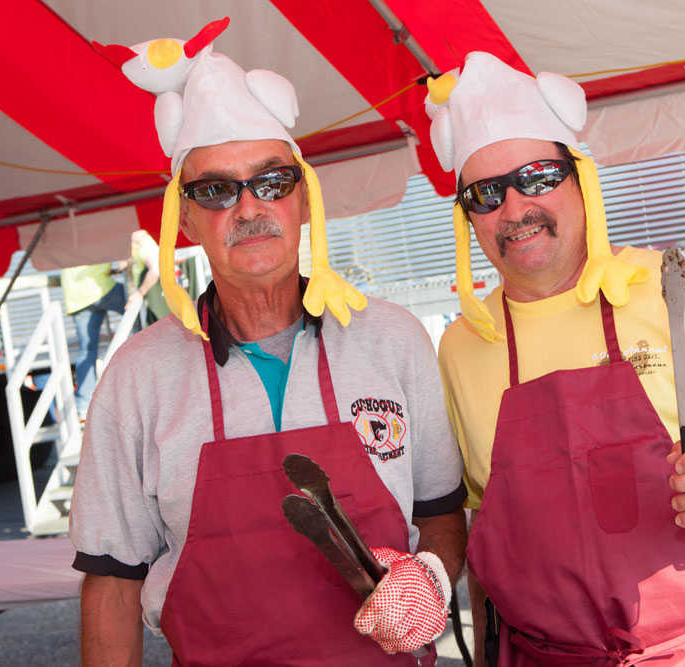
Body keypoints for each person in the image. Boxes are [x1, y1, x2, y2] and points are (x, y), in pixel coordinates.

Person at [71, 21, 466, 666]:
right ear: (188, 219)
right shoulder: (138, 376)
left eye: (271, 181)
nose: (248, 206)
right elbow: (113, 583)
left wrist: (431, 577)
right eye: (215, 190)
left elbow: (443, 511)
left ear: (304, 200)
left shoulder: (393, 339)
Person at [426, 52, 685, 666]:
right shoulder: (463, 345)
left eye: (536, 177)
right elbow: (486, 529)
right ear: (468, 218)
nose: (514, 209)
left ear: (580, 180)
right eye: (485, 193)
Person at [60, 262, 128, 419]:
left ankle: (83, 405)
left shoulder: (62, 239)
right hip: (100, 288)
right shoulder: (92, 238)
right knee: (139, 306)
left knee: (87, 350)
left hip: (76, 298)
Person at [127, 228, 170, 325]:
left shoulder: (147, 245)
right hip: (152, 300)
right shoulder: (140, 244)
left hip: (154, 300)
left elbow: (155, 270)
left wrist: (140, 293)